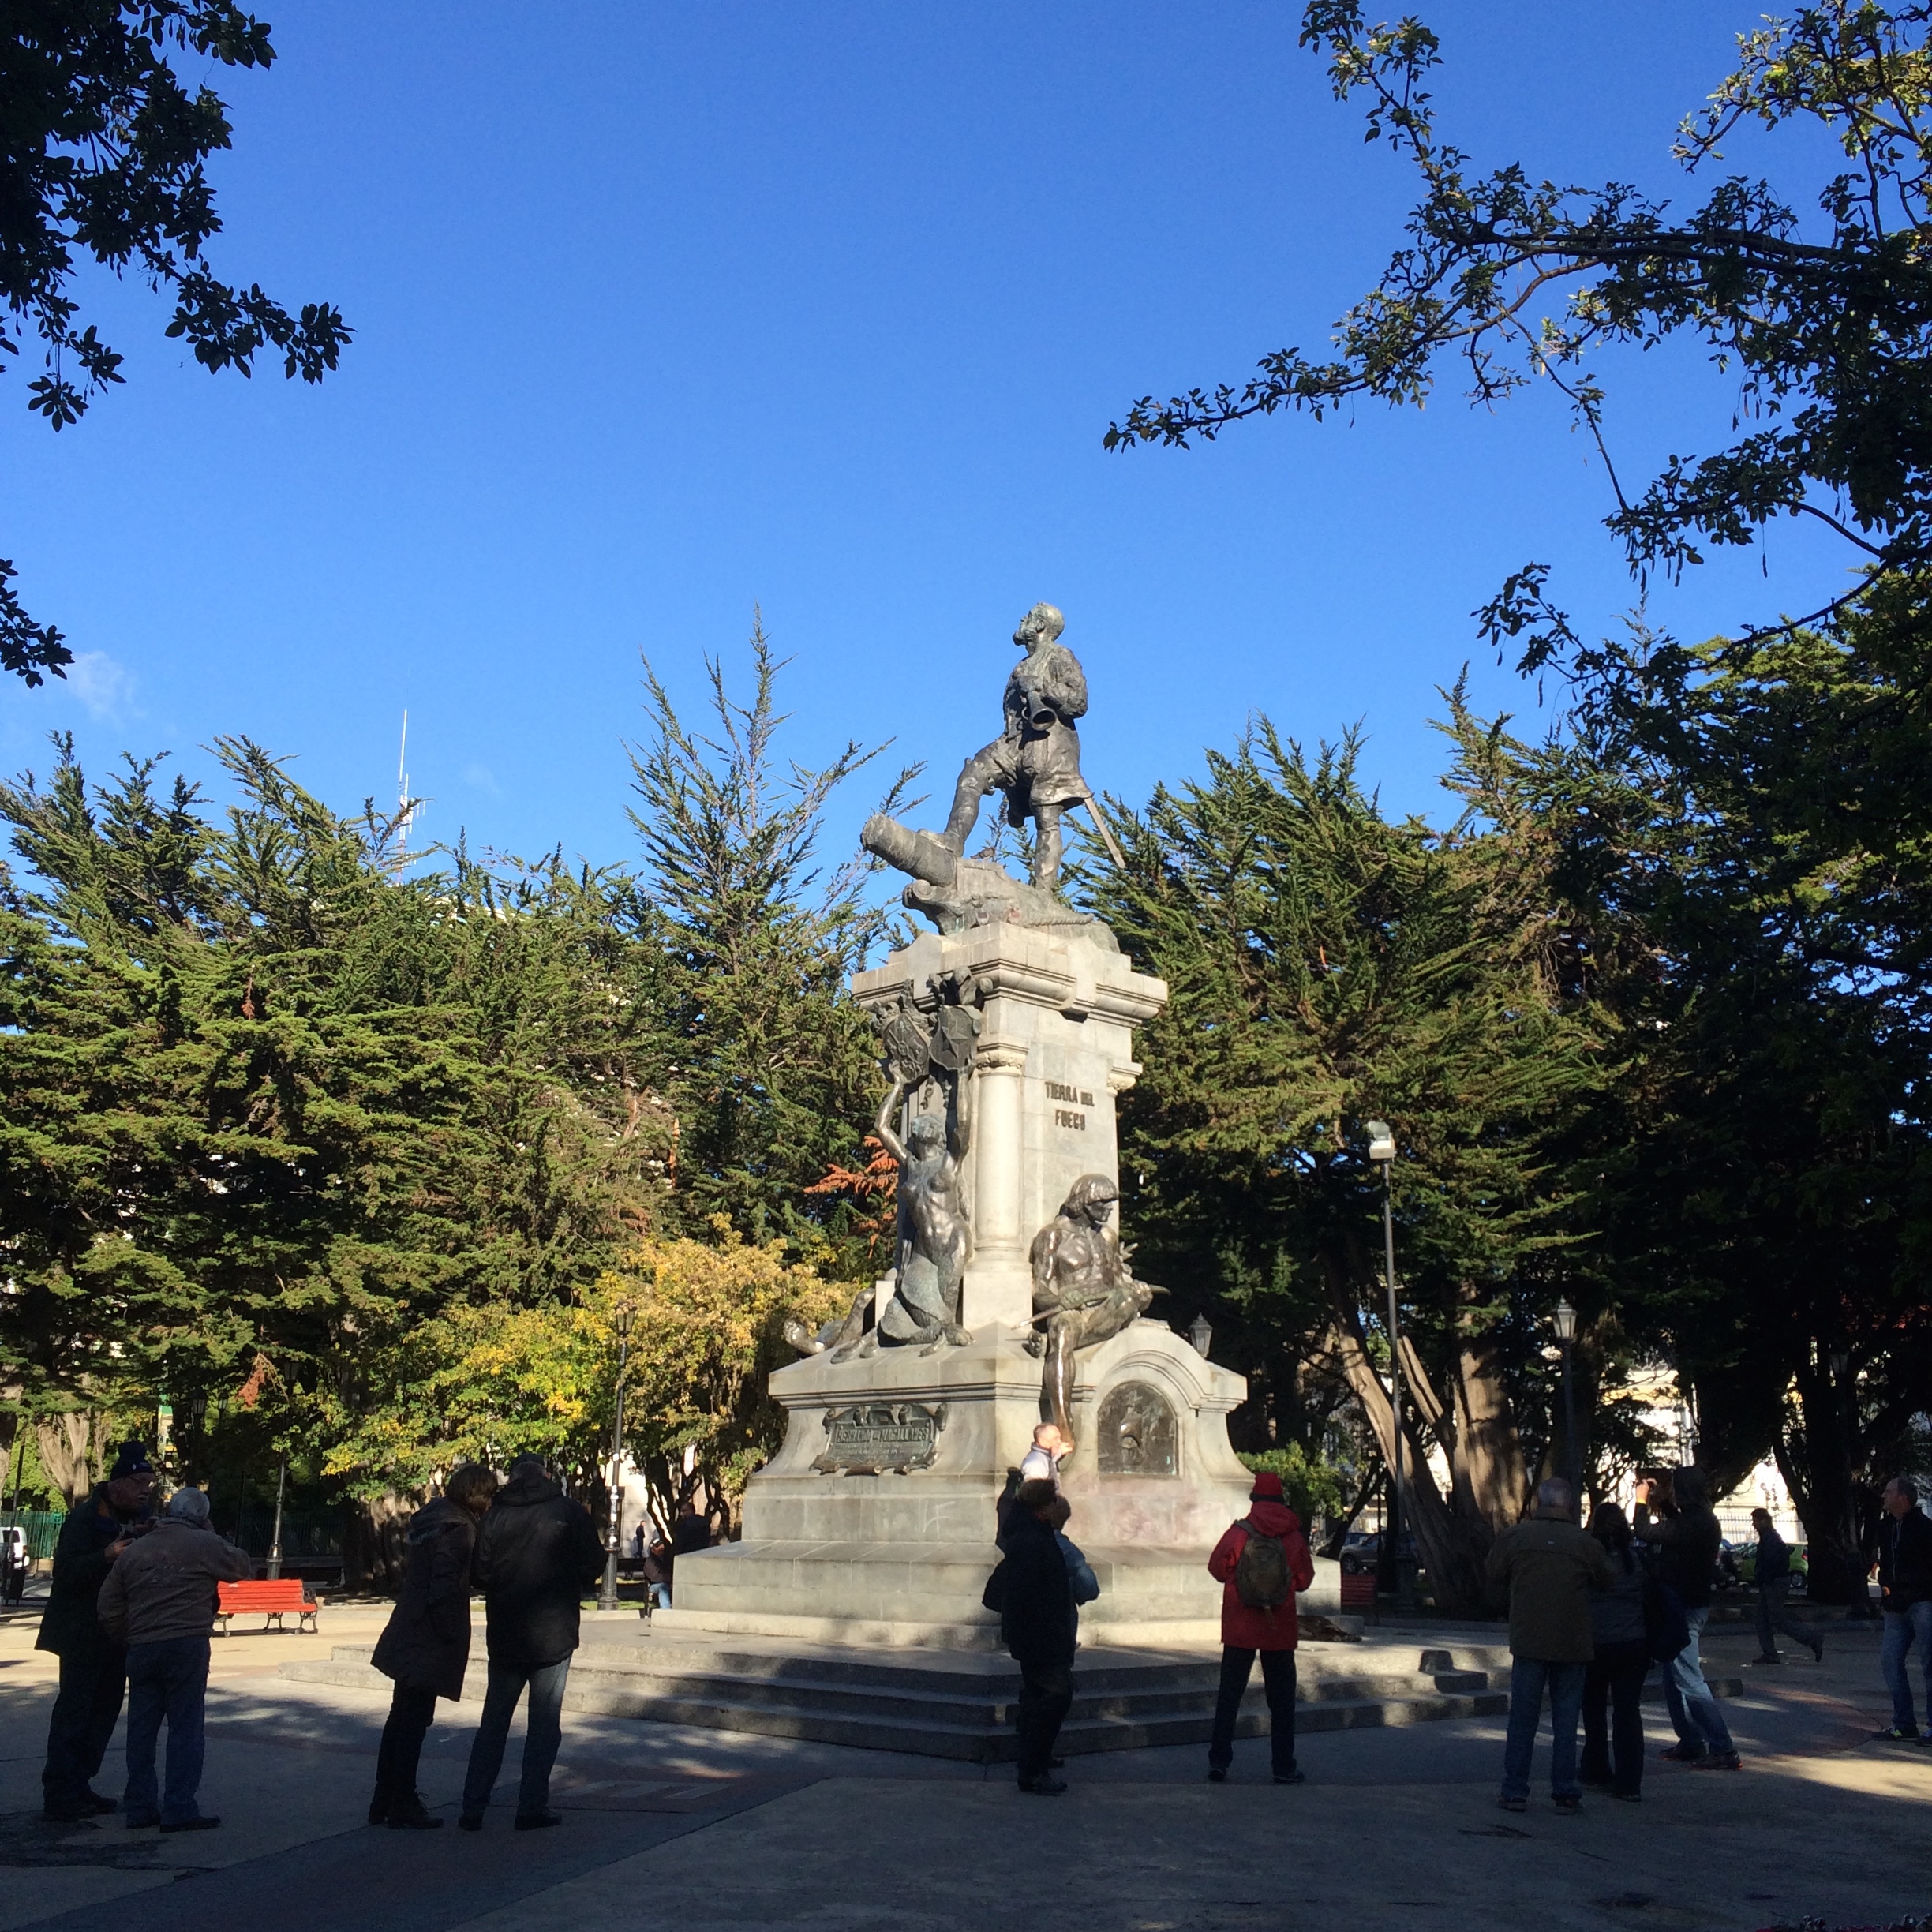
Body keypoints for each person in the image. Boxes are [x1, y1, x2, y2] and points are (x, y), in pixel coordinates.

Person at [459, 1456, 603, 1832]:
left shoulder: (494, 1515)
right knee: (543, 1723)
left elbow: (480, 1573)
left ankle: (473, 1806)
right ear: (546, 1475)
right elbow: (593, 1563)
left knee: (494, 1722)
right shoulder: (568, 1511)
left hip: (507, 1631)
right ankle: (531, 1805)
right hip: (553, 1631)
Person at [95, 1486, 250, 1832]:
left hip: (142, 1646)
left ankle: (139, 1805)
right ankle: (179, 1805)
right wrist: (212, 1535)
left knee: (141, 1729)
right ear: (201, 1517)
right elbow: (241, 1566)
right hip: (186, 1643)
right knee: (185, 1727)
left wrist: (127, 1634)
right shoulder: (203, 1545)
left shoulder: (135, 1552)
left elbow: (107, 1606)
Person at [368, 1463, 499, 1829]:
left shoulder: (432, 1520)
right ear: (479, 1494)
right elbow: (444, 1584)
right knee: (413, 1721)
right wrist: (448, 1632)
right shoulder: (458, 1529)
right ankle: (403, 1801)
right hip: (428, 1635)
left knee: (401, 1717)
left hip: (409, 1628)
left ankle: (385, 1797)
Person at [36, 1440, 155, 1822]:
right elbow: (65, 1573)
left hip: (117, 1634)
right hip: (81, 1634)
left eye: (148, 1484)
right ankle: (59, 1793)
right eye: (138, 1482)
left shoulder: (140, 1516)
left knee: (104, 1712)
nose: (143, 1491)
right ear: (117, 1482)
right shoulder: (85, 1519)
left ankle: (81, 1783)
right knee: (75, 1711)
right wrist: (106, 1555)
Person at [1486, 1476, 1614, 1814]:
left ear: (1537, 1504)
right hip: (1572, 1640)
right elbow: (1607, 1579)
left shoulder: (1516, 1537)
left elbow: (1493, 1572)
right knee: (1567, 1719)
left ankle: (1515, 1790)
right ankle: (1565, 1790)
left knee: (1523, 1719)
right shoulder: (1584, 1542)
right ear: (1569, 1504)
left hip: (1529, 1639)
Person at [1204, 1470, 1316, 1787]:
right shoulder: (1292, 1536)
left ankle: (1219, 1761)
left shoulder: (1239, 1533)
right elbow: (1304, 1580)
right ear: (1281, 1500)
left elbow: (1216, 1568)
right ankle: (1283, 1765)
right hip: (1278, 1627)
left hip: (1240, 1626)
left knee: (1230, 1696)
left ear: (1255, 1499)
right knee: (1281, 1701)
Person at [1634, 1467, 1741, 1769]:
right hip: (1682, 1606)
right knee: (1673, 1677)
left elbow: (1645, 1531)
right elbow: (1676, 1526)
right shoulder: (1699, 1518)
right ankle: (1691, 1740)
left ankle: (1723, 1747)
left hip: (1684, 1608)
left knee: (1689, 1679)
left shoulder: (1697, 1522)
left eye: (1675, 1488)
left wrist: (1641, 1502)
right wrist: (1664, 1501)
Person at [994, 1477, 1076, 1795]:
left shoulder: (1032, 1533)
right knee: (1055, 1695)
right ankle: (1033, 1768)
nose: (1059, 1505)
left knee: (1038, 1696)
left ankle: (1034, 1762)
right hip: (1039, 1635)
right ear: (1044, 1505)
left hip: (1038, 1634)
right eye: (1054, 1500)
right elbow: (1026, 1592)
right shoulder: (1031, 1539)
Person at [1579, 1503, 1649, 1802]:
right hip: (1633, 1642)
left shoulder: (1590, 1562)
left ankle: (1596, 1767)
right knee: (1628, 1711)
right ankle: (1629, 1781)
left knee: (1593, 1709)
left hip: (1596, 1643)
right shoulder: (1636, 1560)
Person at [1877, 1475, 1932, 1741]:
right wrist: (1886, 1586)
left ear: (1903, 1498)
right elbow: (1885, 1564)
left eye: (1888, 1491)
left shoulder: (1924, 1528)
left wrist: (1911, 1590)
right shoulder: (1886, 1527)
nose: (1884, 1496)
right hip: (1895, 1607)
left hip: (1922, 1603)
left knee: (1929, 1663)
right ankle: (1904, 1722)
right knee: (1890, 1661)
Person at [1747, 1507, 1822, 1668]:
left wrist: (1763, 1576)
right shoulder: (1769, 1538)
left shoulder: (1771, 1539)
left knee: (1776, 1619)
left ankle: (1810, 1638)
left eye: (1755, 1521)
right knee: (1763, 1619)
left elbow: (1773, 1563)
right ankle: (1770, 1654)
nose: (1753, 1525)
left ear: (1763, 1521)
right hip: (1771, 1582)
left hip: (1774, 1582)